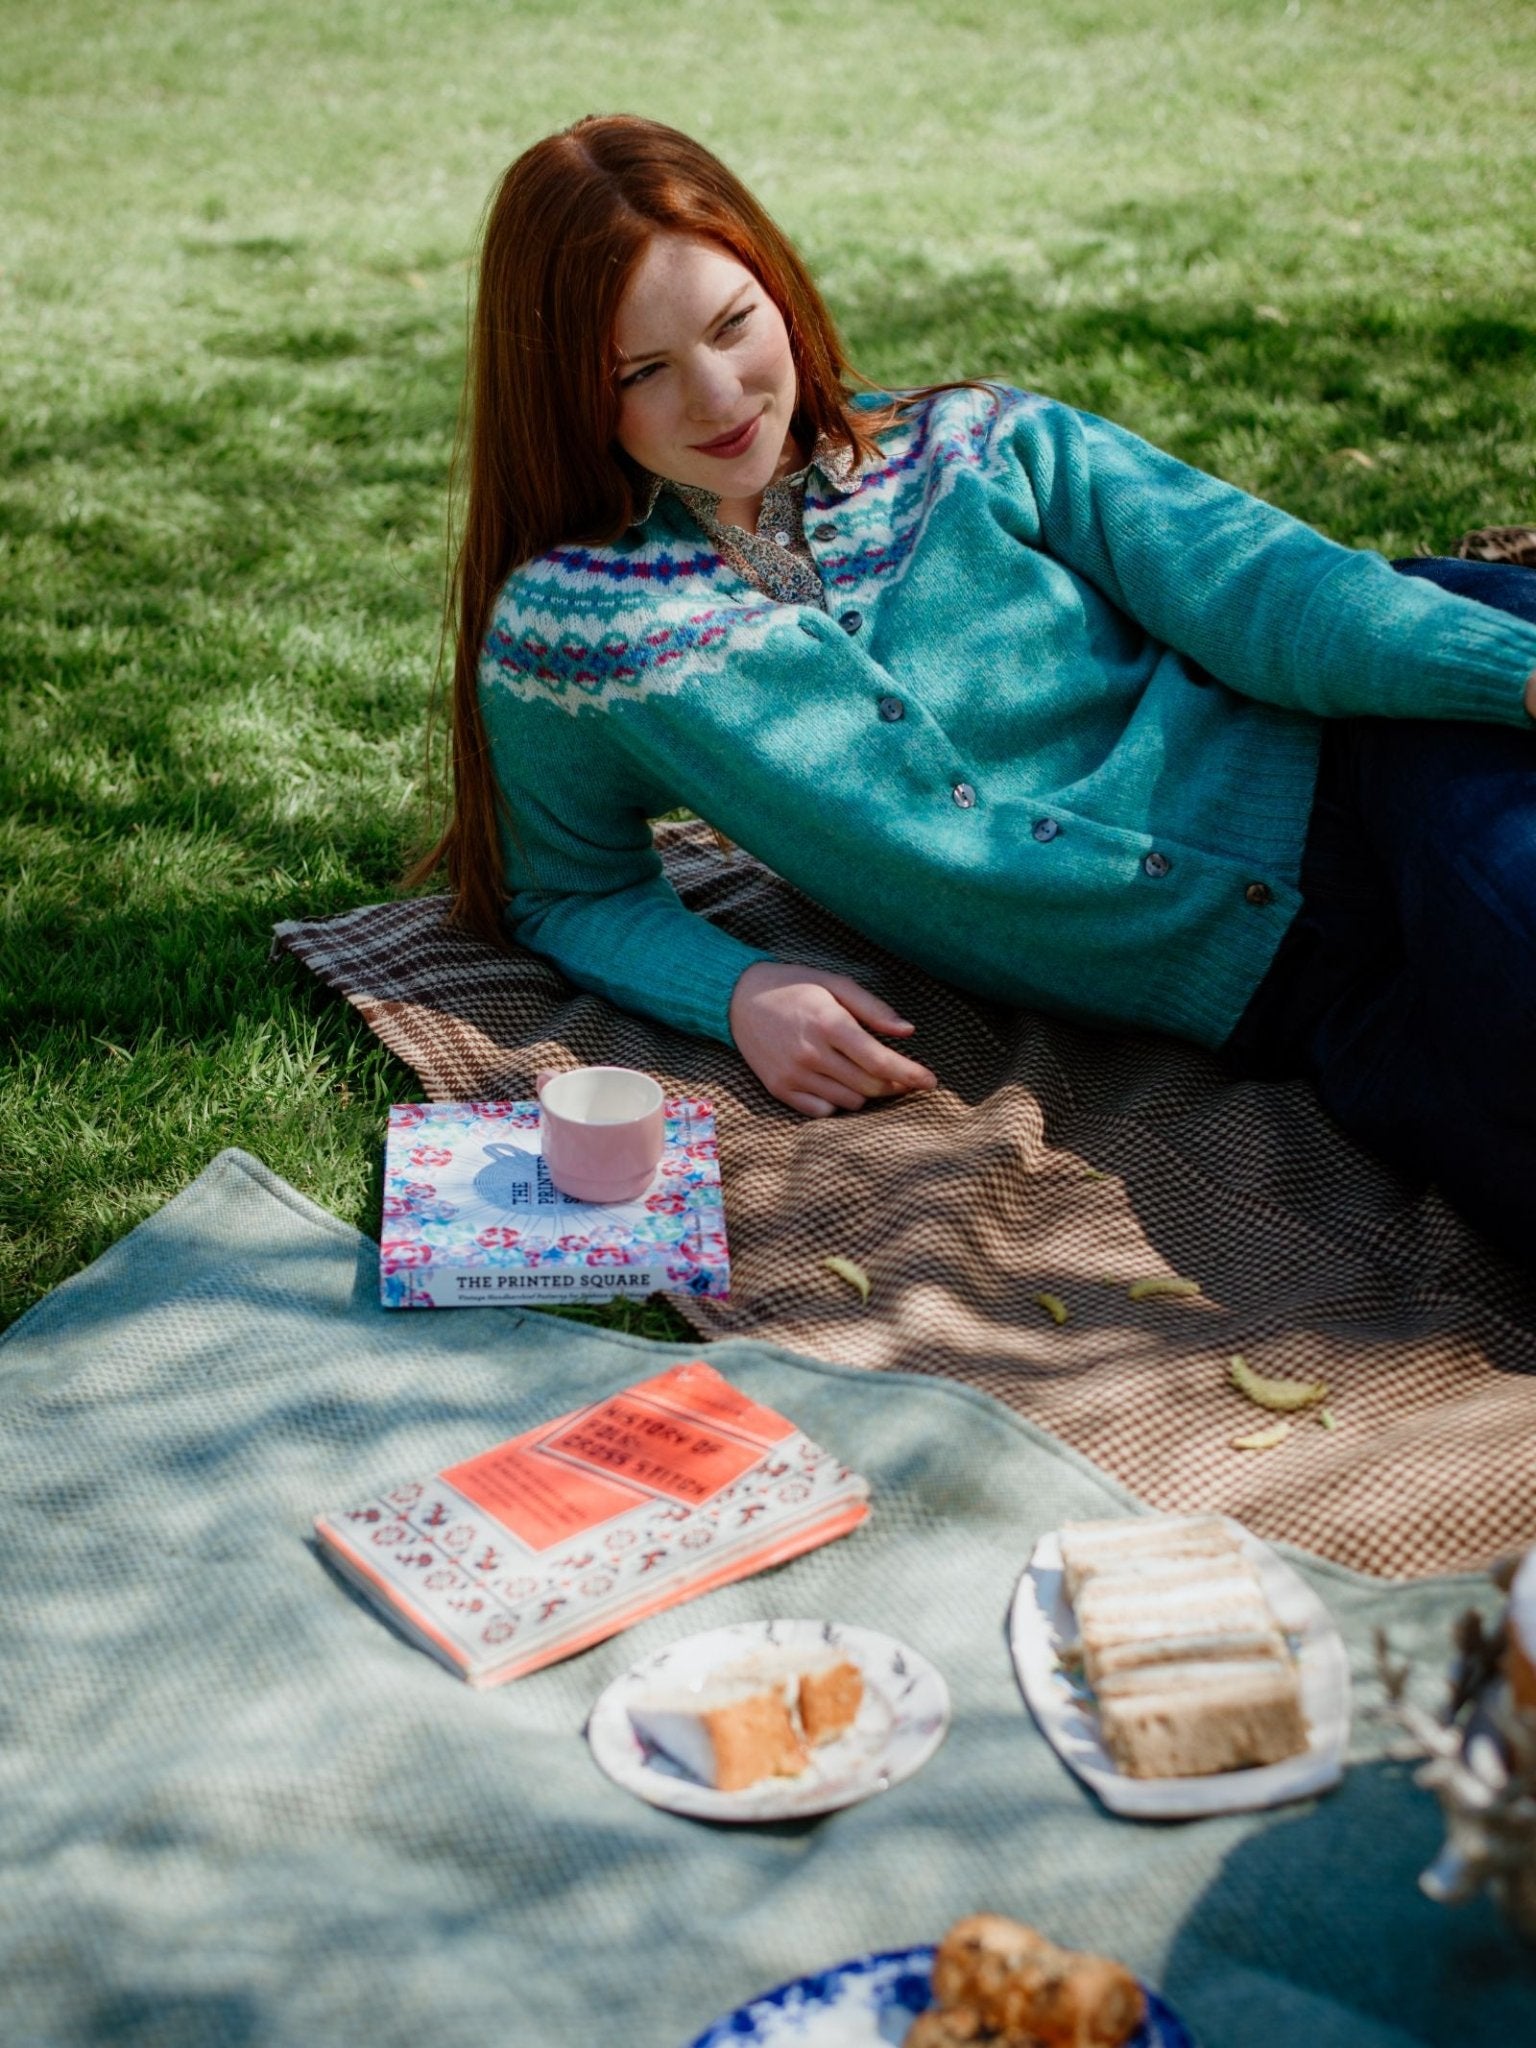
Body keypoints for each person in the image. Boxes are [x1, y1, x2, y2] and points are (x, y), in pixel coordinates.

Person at [417, 114, 1536, 1261]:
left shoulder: (977, 439)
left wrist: (1520, 674)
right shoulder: (579, 633)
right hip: (1281, 998)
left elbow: (1261, 586)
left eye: (731, 324)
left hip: (1376, 756)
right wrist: (740, 990)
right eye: (640, 372)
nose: (715, 397)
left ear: (775, 281)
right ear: (563, 391)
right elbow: (564, 890)